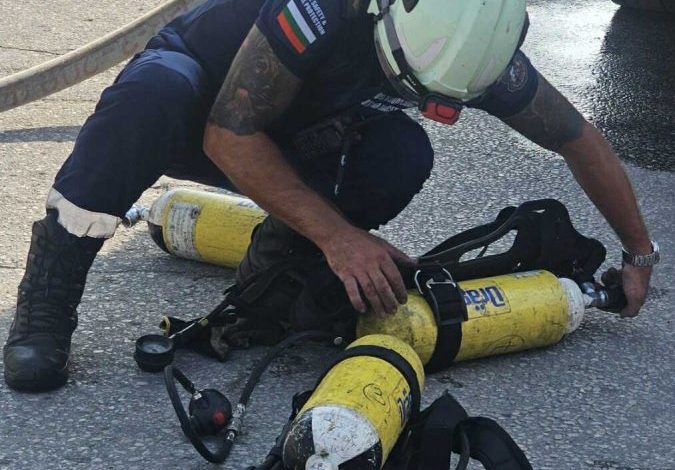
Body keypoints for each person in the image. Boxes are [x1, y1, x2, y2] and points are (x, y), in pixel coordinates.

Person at [3, 0, 658, 392]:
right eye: (408, 84)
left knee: (400, 152)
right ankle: (49, 296)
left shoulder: (477, 45)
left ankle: (269, 286)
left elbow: (579, 141)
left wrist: (638, 254)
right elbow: (230, 135)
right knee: (152, 94)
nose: (418, 101)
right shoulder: (319, 9)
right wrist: (341, 238)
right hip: (204, 109)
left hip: (292, 129)